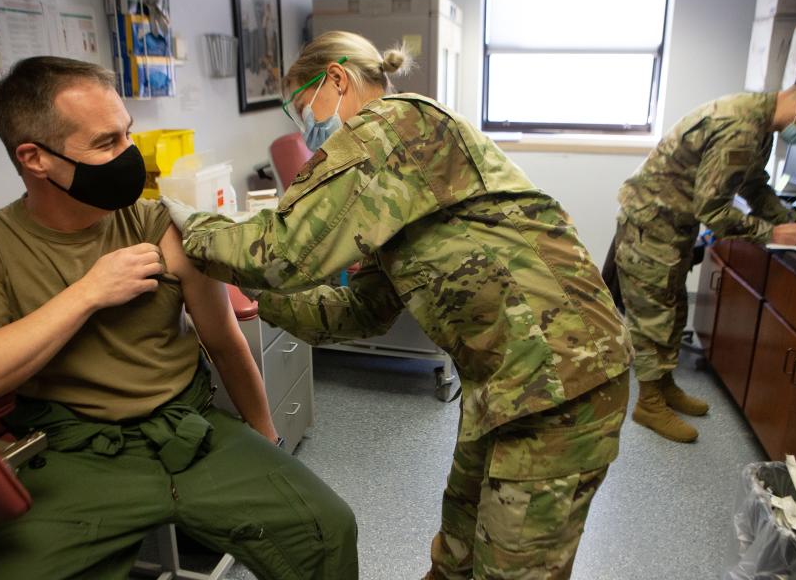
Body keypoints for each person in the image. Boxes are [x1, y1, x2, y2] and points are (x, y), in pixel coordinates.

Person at [163, 31, 634, 580]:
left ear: (337, 79)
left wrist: (190, 226)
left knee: (513, 568)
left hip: (563, 375)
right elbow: (360, 312)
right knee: (456, 551)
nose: (304, 128)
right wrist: (262, 302)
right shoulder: (392, 187)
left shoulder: (395, 127)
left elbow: (282, 250)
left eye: (301, 107)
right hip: (505, 378)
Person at [0, 56, 357, 579]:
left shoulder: (156, 222)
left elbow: (223, 341)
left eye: (127, 134)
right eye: (106, 143)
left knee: (327, 529)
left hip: (192, 430)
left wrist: (266, 437)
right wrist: (88, 293)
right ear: (35, 158)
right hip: (74, 453)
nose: (130, 156)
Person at [613, 72, 796, 443]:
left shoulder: (759, 124)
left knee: (673, 307)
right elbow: (712, 208)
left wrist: (791, 222)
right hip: (652, 223)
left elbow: (754, 185)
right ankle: (648, 403)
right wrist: (771, 233)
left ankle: (664, 385)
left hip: (672, 224)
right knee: (653, 313)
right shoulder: (740, 125)